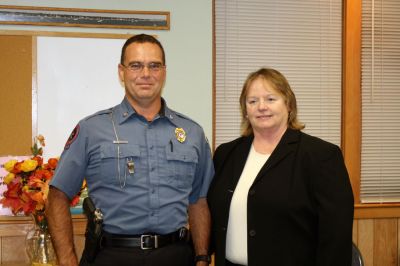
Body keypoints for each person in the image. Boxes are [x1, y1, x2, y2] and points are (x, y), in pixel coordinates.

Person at [46, 34, 214, 266]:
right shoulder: (91, 129)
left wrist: (203, 257)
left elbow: (199, 200)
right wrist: (67, 260)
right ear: (121, 71)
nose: (146, 74)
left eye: (154, 66)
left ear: (164, 72)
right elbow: (57, 196)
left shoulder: (192, 132)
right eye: (136, 65)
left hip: (175, 255)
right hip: (113, 256)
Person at [207, 68, 354, 266]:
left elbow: (336, 236)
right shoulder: (226, 154)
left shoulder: (320, 156)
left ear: (289, 105)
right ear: (245, 110)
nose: (261, 107)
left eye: (270, 99)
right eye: (252, 101)